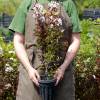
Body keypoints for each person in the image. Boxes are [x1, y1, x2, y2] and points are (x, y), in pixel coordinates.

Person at [9, 0, 81, 100]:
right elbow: (18, 41)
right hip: (31, 72)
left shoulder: (68, 4)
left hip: (61, 74)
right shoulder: (27, 3)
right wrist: (29, 69)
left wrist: (63, 67)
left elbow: (75, 40)